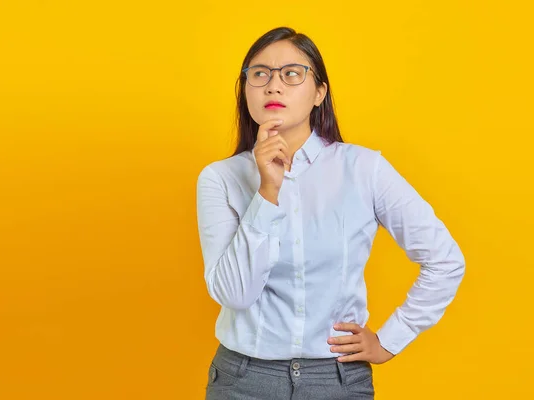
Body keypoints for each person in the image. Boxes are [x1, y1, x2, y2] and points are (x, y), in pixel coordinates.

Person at [195, 26, 465, 400]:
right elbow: (235, 294)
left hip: (337, 381)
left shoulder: (364, 169)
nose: (274, 86)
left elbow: (445, 259)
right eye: (260, 74)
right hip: (244, 380)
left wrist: (390, 340)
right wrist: (268, 192)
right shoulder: (220, 179)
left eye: (292, 73)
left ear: (319, 92)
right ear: (245, 90)